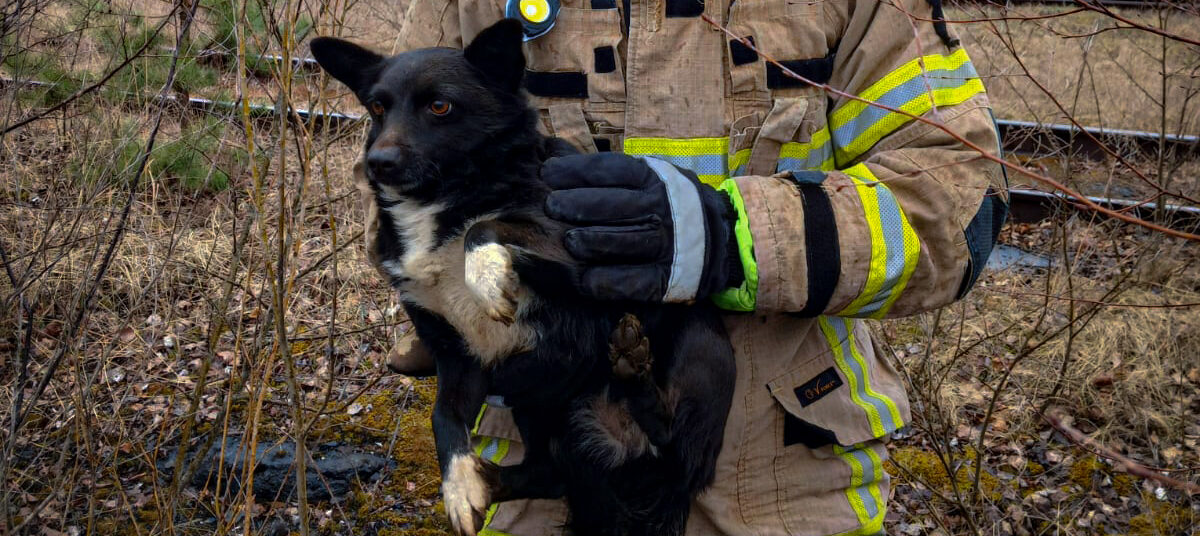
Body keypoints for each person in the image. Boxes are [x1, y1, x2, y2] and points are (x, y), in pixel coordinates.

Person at [371, 0, 1008, 534]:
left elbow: (958, 211)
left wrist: (731, 239)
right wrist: (472, 313)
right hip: (538, 466)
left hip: (786, 481)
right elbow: (392, 180)